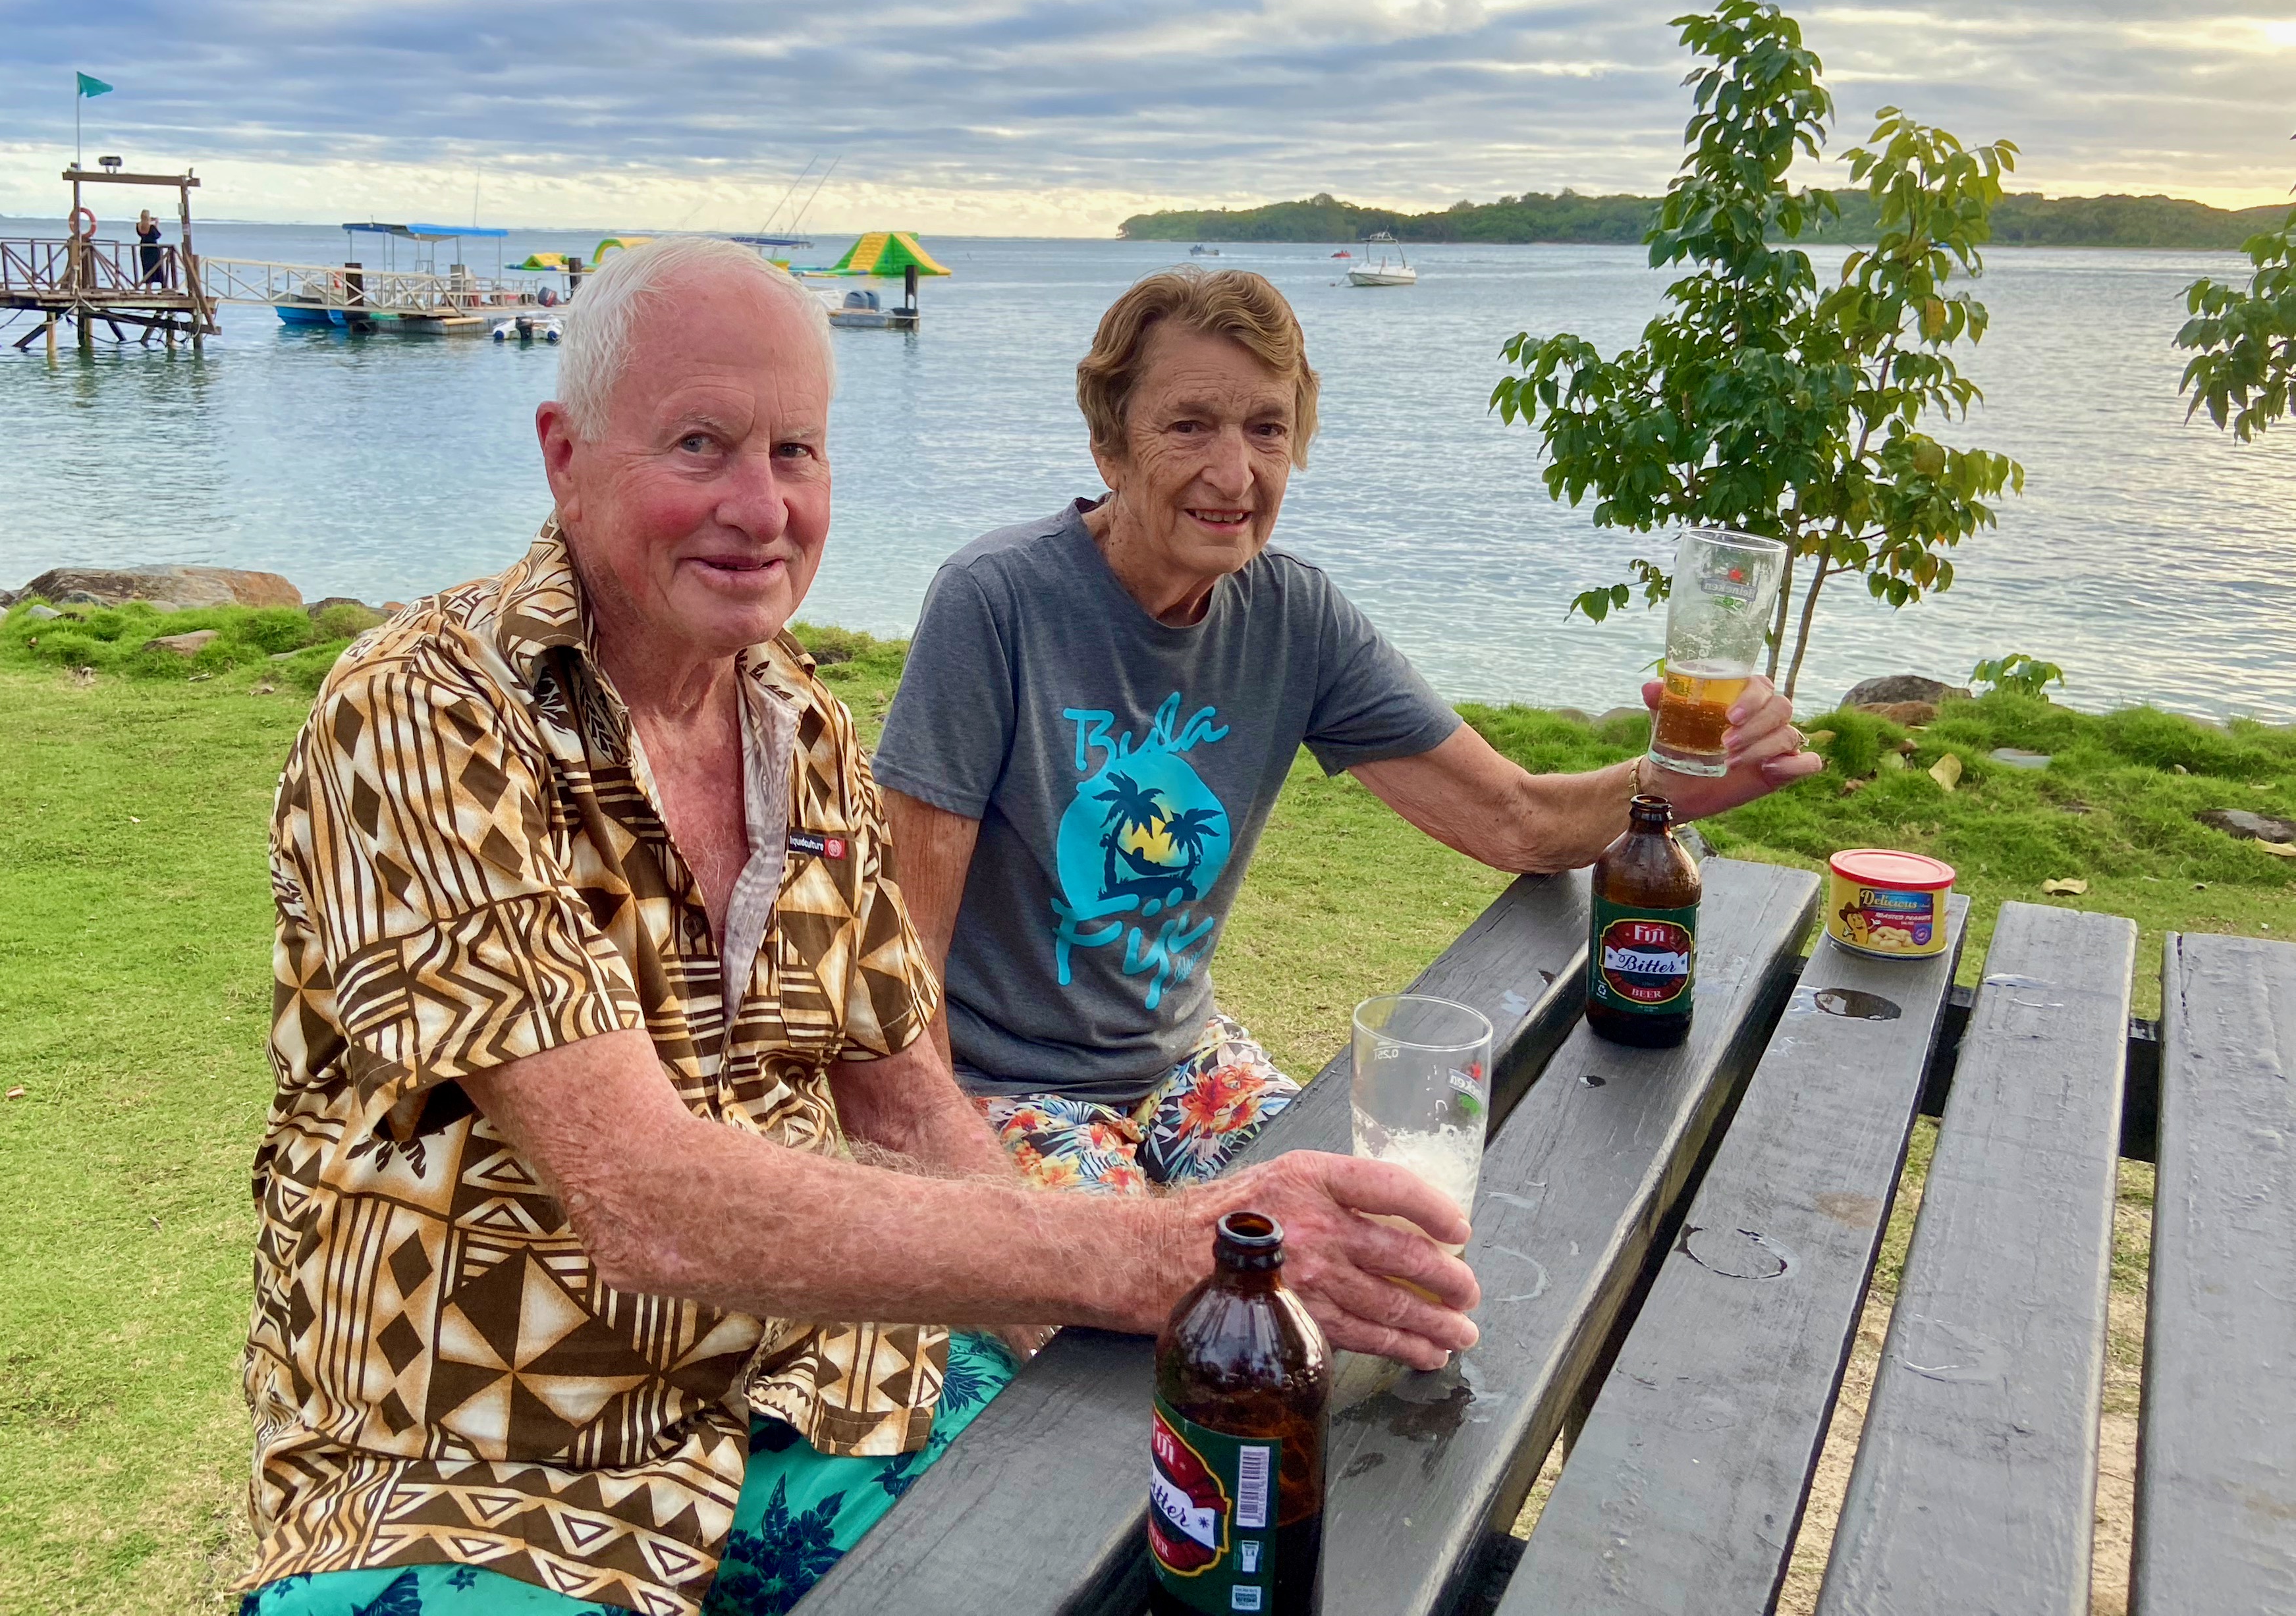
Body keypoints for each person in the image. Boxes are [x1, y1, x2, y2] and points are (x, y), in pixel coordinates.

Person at [236, 240, 1482, 1616]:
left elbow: (908, 1107)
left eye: (797, 451)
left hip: (808, 1390)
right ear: (563, 452)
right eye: (700, 445)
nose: (760, 508)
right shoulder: (426, 712)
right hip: (484, 1466)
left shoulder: (802, 727)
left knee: (1161, 1544)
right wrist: (1154, 1253)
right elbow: (638, 1200)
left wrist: (1069, 1346)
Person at [872, 267, 1820, 1194]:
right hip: (1005, 1087)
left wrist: (1683, 777)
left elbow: (1516, 822)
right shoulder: (996, 602)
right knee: (1135, 1324)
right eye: (1190, 425)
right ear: (1109, 446)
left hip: (1187, 1064)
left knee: (1364, 1228)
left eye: (1267, 429)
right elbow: (900, 952)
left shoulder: (1292, 617)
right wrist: (963, 1184)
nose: (1234, 473)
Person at [136, 207, 168, 288]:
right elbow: (157, 235)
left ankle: (148, 288)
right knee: (157, 267)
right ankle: (163, 287)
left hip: (144, 248)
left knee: (147, 268)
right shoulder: (151, 227)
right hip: (153, 248)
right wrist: (156, 224)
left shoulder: (139, 226)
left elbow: (142, 235)